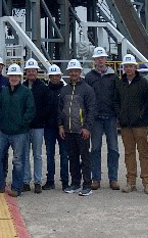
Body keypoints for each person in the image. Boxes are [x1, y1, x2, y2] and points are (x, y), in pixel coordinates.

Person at [0, 64, 35, 197]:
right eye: (11, 76)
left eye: (16, 76)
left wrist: (21, 123)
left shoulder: (26, 92)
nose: (13, 78)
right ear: (8, 77)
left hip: (20, 133)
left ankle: (16, 187)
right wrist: (0, 120)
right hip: (3, 131)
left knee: (18, 161)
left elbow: (30, 111)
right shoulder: (4, 91)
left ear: (20, 77)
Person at [114, 54, 148, 194]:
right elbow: (116, 101)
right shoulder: (120, 83)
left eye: (131, 66)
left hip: (140, 124)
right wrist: (120, 115)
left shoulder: (143, 83)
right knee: (129, 153)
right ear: (123, 68)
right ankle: (131, 181)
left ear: (135, 67)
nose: (128, 69)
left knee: (143, 153)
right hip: (125, 125)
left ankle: (147, 181)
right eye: (126, 66)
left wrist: (141, 116)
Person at [58, 59, 96, 196]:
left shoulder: (87, 90)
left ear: (80, 72)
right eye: (71, 71)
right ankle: (75, 183)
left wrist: (87, 127)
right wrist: (61, 125)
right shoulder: (64, 90)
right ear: (68, 72)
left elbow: (92, 110)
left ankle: (87, 185)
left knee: (85, 158)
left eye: (76, 71)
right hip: (68, 130)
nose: (73, 73)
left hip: (81, 130)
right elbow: (60, 109)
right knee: (72, 158)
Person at [85, 46, 120, 190]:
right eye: (98, 58)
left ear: (106, 59)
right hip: (96, 118)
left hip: (111, 117)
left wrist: (118, 115)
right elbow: (85, 98)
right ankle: (96, 178)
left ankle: (113, 179)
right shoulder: (89, 77)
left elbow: (118, 96)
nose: (100, 60)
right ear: (94, 60)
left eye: (102, 58)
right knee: (95, 149)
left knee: (113, 149)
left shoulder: (114, 76)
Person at [22, 58, 49, 194]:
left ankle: (37, 181)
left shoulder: (43, 87)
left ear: (37, 72)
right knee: (24, 154)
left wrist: (40, 118)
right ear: (26, 72)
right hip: (25, 127)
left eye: (33, 70)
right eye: (29, 70)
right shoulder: (22, 87)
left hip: (38, 126)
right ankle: (26, 181)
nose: (31, 72)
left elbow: (46, 107)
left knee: (37, 155)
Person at [42, 64, 69, 191]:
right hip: (49, 127)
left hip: (62, 128)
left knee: (64, 154)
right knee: (49, 154)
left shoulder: (65, 91)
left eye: (56, 76)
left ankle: (65, 181)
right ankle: (50, 180)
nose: (54, 78)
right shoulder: (45, 91)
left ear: (60, 77)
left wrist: (62, 125)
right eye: (52, 76)